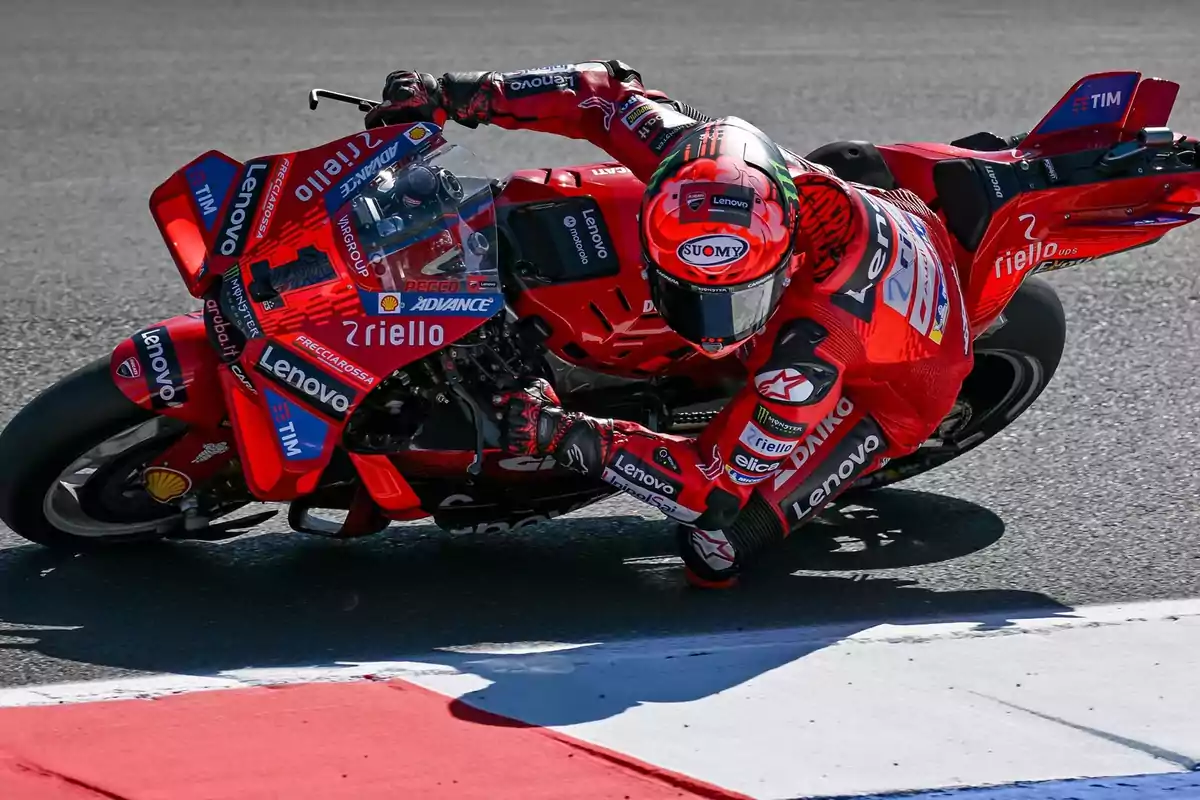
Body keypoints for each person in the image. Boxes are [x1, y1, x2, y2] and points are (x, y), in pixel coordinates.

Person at [364, 61, 974, 588]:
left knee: (715, 547)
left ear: (782, 259)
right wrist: (451, 93)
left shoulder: (805, 359)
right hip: (877, 214)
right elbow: (595, 92)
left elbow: (711, 491)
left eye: (731, 300)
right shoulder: (703, 159)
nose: (711, 328)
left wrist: (564, 435)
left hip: (897, 384)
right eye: (693, 294)